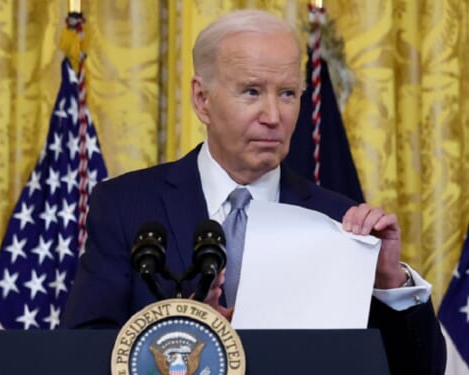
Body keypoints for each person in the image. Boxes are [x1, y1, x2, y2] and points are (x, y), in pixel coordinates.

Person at [61, 9, 445, 374]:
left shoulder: (340, 222)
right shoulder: (125, 205)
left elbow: (417, 370)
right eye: (251, 92)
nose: (273, 116)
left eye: (288, 94)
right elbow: (81, 350)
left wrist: (390, 284)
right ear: (202, 99)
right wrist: (185, 332)